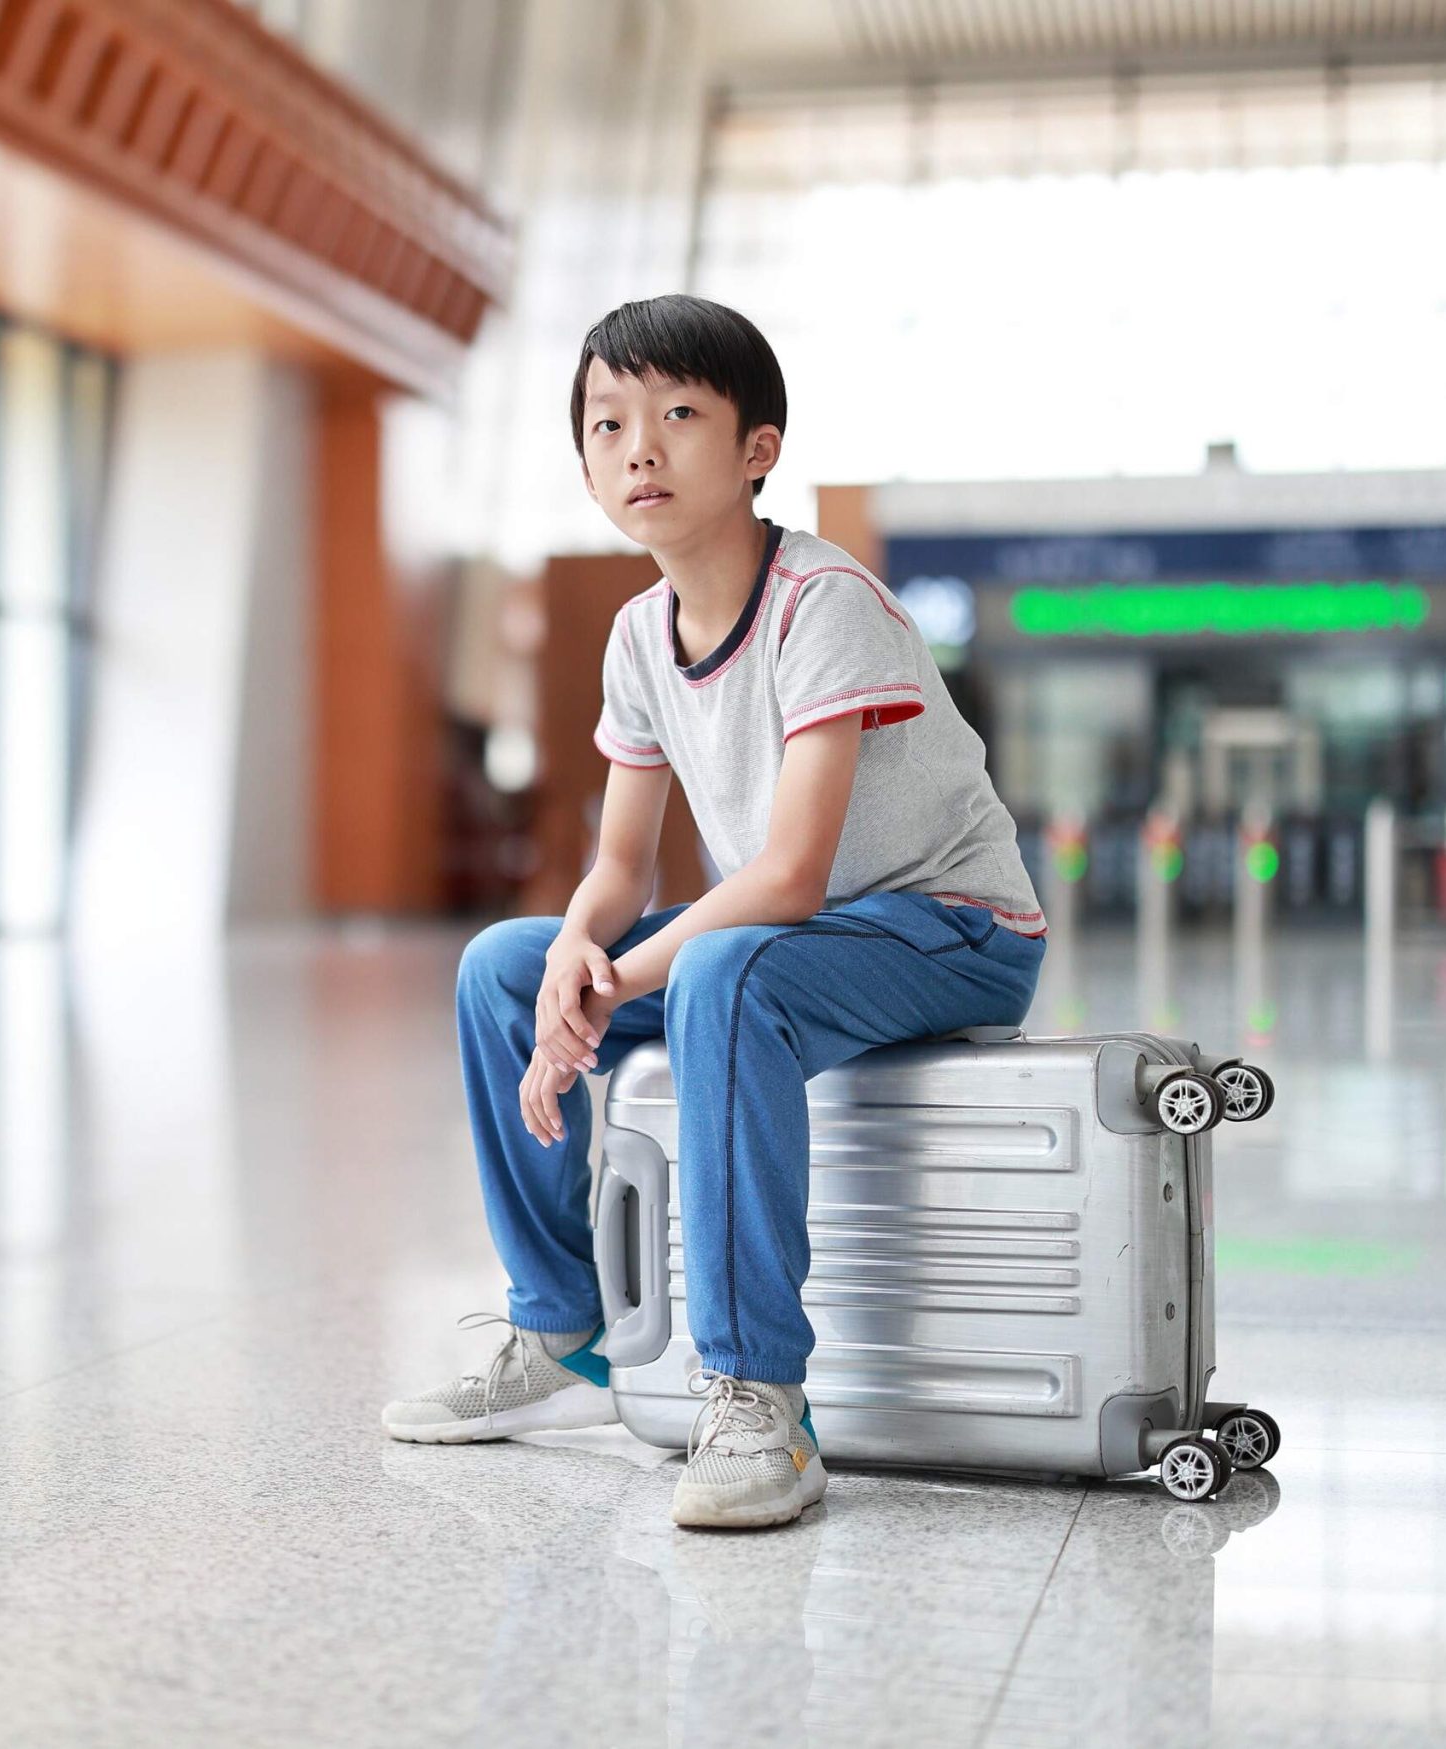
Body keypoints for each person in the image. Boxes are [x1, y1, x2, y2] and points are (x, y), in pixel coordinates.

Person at [379, 296, 1048, 1531]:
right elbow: (620, 866)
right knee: (502, 964)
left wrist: (617, 988)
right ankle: (565, 1338)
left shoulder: (820, 602)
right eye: (608, 423)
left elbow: (790, 875)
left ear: (757, 450)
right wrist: (582, 947)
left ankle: (757, 1398)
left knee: (719, 973)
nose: (640, 447)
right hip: (788, 944)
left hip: (948, 930)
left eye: (680, 414)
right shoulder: (637, 635)